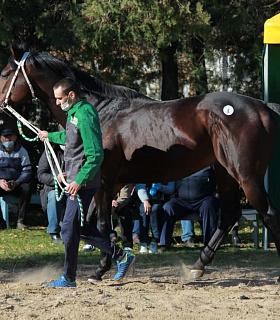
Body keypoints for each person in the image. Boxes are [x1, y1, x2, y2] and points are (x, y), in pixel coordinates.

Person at [38, 77, 135, 287]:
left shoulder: (85, 114)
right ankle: (121, 256)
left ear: (71, 95)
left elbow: (95, 155)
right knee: (76, 228)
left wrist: (79, 181)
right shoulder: (74, 114)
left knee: (68, 229)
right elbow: (71, 140)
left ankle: (69, 277)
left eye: (59, 98)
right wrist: (50, 136)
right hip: (76, 179)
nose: (57, 103)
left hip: (83, 182)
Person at [159, 166, 219, 251]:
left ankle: (209, 244)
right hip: (182, 201)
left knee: (210, 206)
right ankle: (164, 244)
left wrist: (217, 192)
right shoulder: (182, 164)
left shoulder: (209, 165)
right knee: (168, 207)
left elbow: (220, 179)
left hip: (203, 200)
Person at [0, 127, 32, 229]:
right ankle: (1, 223)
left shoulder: (22, 151)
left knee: (26, 188)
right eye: (5, 136)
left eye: (10, 136)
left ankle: (21, 221)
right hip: (1, 183)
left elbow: (27, 171)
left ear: (15, 137)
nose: (7, 139)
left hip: (17, 183)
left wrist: (17, 182)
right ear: (1, 138)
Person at [37, 144, 65, 244]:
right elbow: (41, 175)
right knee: (54, 196)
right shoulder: (49, 153)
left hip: (74, 187)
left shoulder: (78, 151)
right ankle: (54, 233)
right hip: (53, 188)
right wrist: (56, 179)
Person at [135, 182, 175, 253]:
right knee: (143, 210)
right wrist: (145, 200)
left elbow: (171, 189)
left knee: (155, 210)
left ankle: (154, 241)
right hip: (145, 200)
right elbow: (140, 186)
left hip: (160, 200)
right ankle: (143, 242)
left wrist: (160, 187)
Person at [110, 184, 134, 250]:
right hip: (106, 202)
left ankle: (127, 244)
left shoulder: (124, 179)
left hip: (120, 204)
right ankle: (92, 242)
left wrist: (115, 205)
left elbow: (125, 196)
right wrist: (109, 202)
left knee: (125, 212)